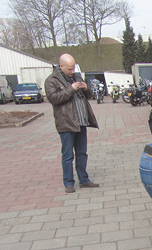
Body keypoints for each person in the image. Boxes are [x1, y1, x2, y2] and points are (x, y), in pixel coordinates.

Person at [45, 53, 99, 193]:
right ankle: (68, 183)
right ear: (61, 66)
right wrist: (71, 89)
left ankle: (84, 180)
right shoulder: (52, 80)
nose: (72, 71)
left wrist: (86, 89)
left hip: (81, 121)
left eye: (73, 68)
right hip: (66, 123)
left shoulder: (76, 77)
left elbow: (89, 96)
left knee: (82, 153)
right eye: (69, 69)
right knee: (68, 155)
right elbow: (54, 98)